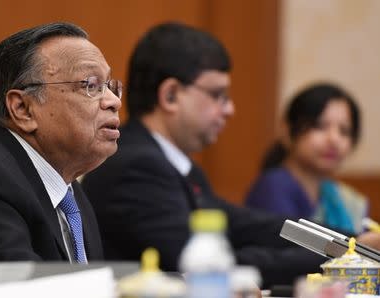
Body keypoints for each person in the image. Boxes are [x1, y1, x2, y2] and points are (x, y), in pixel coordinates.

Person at [81, 22, 335, 287]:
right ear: (170, 96)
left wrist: (346, 243)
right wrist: (339, 259)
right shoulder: (135, 166)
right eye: (217, 95)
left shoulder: (179, 165)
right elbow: (208, 267)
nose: (230, 109)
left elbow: (246, 225)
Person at [0, 22, 122, 263]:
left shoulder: (70, 192)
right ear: (23, 109)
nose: (114, 101)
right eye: (90, 86)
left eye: (111, 86)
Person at [245, 83, 368, 234]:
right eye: (320, 126)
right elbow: (290, 252)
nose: (334, 139)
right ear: (287, 130)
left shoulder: (346, 201)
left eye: (344, 131)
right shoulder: (273, 188)